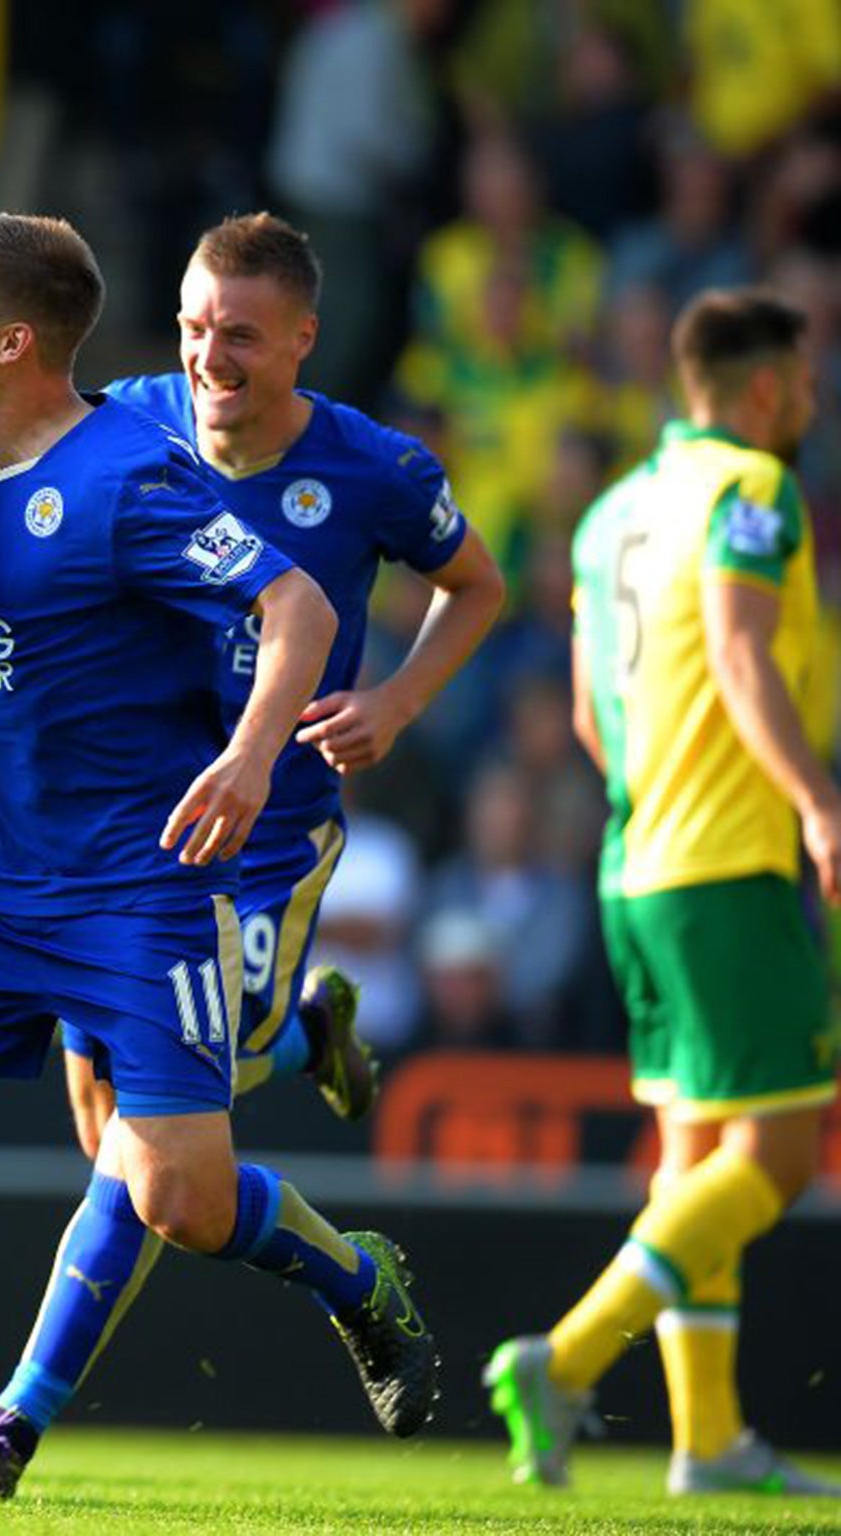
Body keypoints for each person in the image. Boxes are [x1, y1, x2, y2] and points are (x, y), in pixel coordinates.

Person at [0, 213, 437, 1509]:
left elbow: (301, 606)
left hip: (135, 897)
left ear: (15, 338)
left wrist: (258, 757)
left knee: (181, 1203)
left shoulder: (125, 479)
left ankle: (355, 1277)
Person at [0, 212, 503, 1497]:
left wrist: (394, 704)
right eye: (196, 326)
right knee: (123, 1141)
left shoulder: (370, 468)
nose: (210, 355)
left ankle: (9, 1428)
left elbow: (474, 586)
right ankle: (322, 1124)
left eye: (243, 337)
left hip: (267, 845)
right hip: (130, 840)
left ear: (302, 343)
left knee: (151, 1159)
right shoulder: (124, 418)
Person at [486, 288, 841, 1498]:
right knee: (781, 1157)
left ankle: (705, 1440)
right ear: (754, 391)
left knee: (692, 1161)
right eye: (798, 381)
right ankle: (566, 1356)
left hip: (632, 866)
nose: (807, 400)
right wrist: (814, 801)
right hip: (724, 865)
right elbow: (741, 654)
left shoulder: (607, 515)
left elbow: (592, 714)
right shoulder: (751, 488)